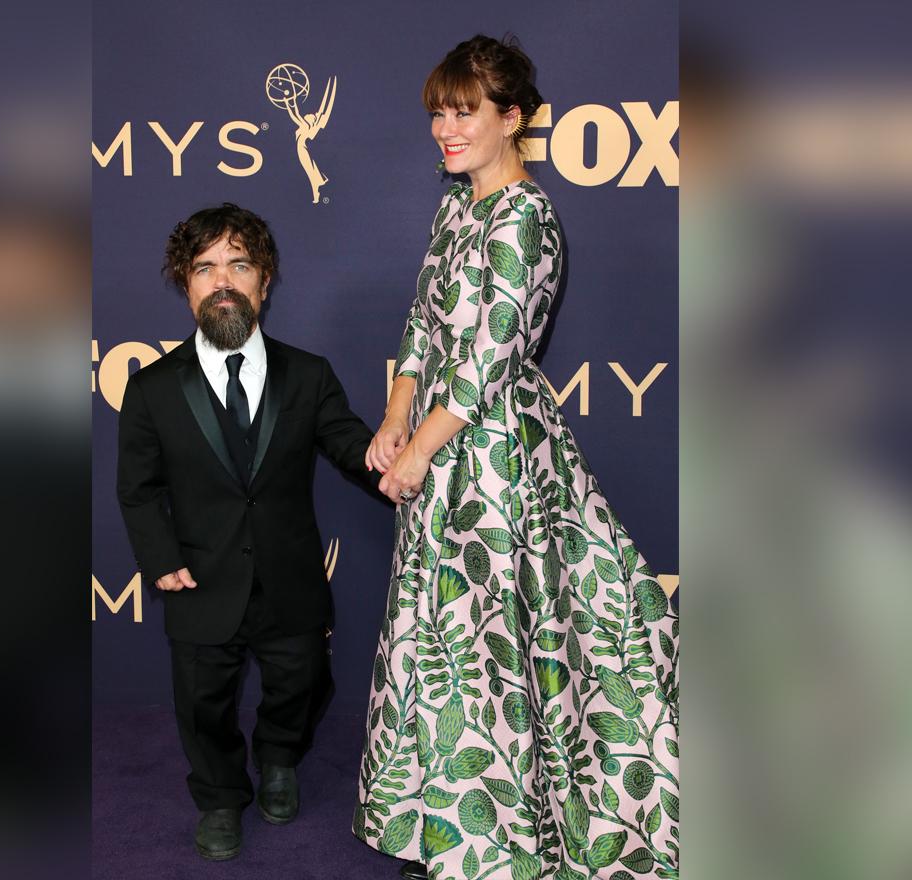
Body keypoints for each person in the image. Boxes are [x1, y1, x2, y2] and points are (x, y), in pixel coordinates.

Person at [353, 36, 679, 880]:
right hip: (441, 441)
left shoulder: (527, 216)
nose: (445, 128)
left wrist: (419, 450)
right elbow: (424, 325)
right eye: (438, 111)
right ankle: (447, 826)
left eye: (465, 111)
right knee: (440, 634)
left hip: (492, 452)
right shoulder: (456, 209)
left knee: (489, 635)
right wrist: (395, 412)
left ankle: (497, 841)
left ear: (514, 118)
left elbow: (490, 354)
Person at [117, 203, 377, 861]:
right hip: (198, 577)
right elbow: (139, 488)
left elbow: (351, 446)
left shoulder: (309, 374)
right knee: (203, 706)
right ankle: (219, 796)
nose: (223, 279)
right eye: (205, 268)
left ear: (265, 280)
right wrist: (160, 556)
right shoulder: (150, 389)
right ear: (187, 286)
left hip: (290, 575)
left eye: (239, 263)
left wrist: (398, 465)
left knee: (303, 684)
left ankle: (282, 756)